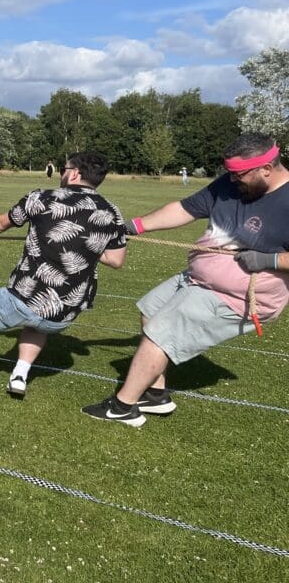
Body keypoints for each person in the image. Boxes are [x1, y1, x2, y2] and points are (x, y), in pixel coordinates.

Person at [83, 132, 289, 427]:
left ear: (266, 169)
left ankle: (123, 406)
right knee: (151, 312)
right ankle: (155, 396)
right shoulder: (228, 185)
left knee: (160, 333)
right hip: (198, 278)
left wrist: (269, 260)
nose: (231, 180)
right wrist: (132, 227)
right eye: (229, 173)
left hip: (236, 297)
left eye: (239, 174)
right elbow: (183, 209)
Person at [0, 151, 126, 401]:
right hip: (65, 311)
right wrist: (85, 245)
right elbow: (115, 260)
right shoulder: (113, 212)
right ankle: (19, 374)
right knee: (37, 323)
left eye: (64, 169)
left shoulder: (42, 197)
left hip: (25, 296)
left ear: (74, 173)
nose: (62, 173)